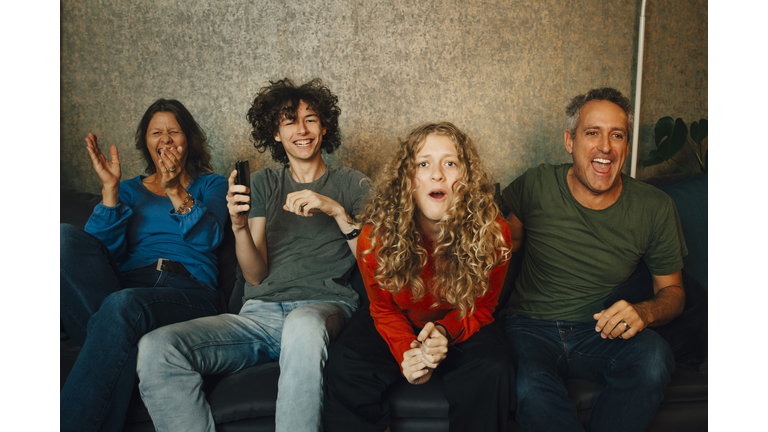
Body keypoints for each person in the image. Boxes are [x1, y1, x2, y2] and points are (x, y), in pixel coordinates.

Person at [136, 78, 370, 432]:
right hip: (259, 316)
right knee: (157, 347)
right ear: (276, 134)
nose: (302, 129)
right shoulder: (263, 184)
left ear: (324, 126)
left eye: (310, 119)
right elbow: (256, 275)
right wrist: (239, 226)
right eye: (289, 121)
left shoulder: (353, 184)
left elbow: (376, 268)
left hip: (321, 308)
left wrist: (337, 212)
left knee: (302, 325)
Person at [499, 87, 687, 432]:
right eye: (592, 133)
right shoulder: (536, 184)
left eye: (617, 135)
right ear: (570, 141)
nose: (605, 146)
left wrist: (643, 312)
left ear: (626, 147)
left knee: (654, 359)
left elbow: (673, 292)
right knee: (529, 386)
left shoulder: (654, 207)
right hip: (529, 327)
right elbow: (500, 248)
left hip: (600, 330)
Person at [323, 122, 514, 432]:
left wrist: (443, 332)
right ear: (407, 181)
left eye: (450, 163)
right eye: (423, 164)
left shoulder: (495, 235)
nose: (437, 174)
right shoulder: (375, 238)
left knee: (493, 369)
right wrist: (408, 353)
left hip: (459, 321)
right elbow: (383, 309)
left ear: (466, 178)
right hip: (397, 318)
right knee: (346, 367)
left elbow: (482, 308)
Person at [60, 99, 228, 432]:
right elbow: (94, 254)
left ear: (188, 140)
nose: (165, 139)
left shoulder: (211, 184)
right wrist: (110, 191)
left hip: (186, 289)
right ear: (146, 142)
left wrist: (175, 189)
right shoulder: (127, 190)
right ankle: (120, 343)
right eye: (156, 132)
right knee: (63, 238)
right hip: (125, 287)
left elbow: (209, 239)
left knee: (121, 305)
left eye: (173, 132)